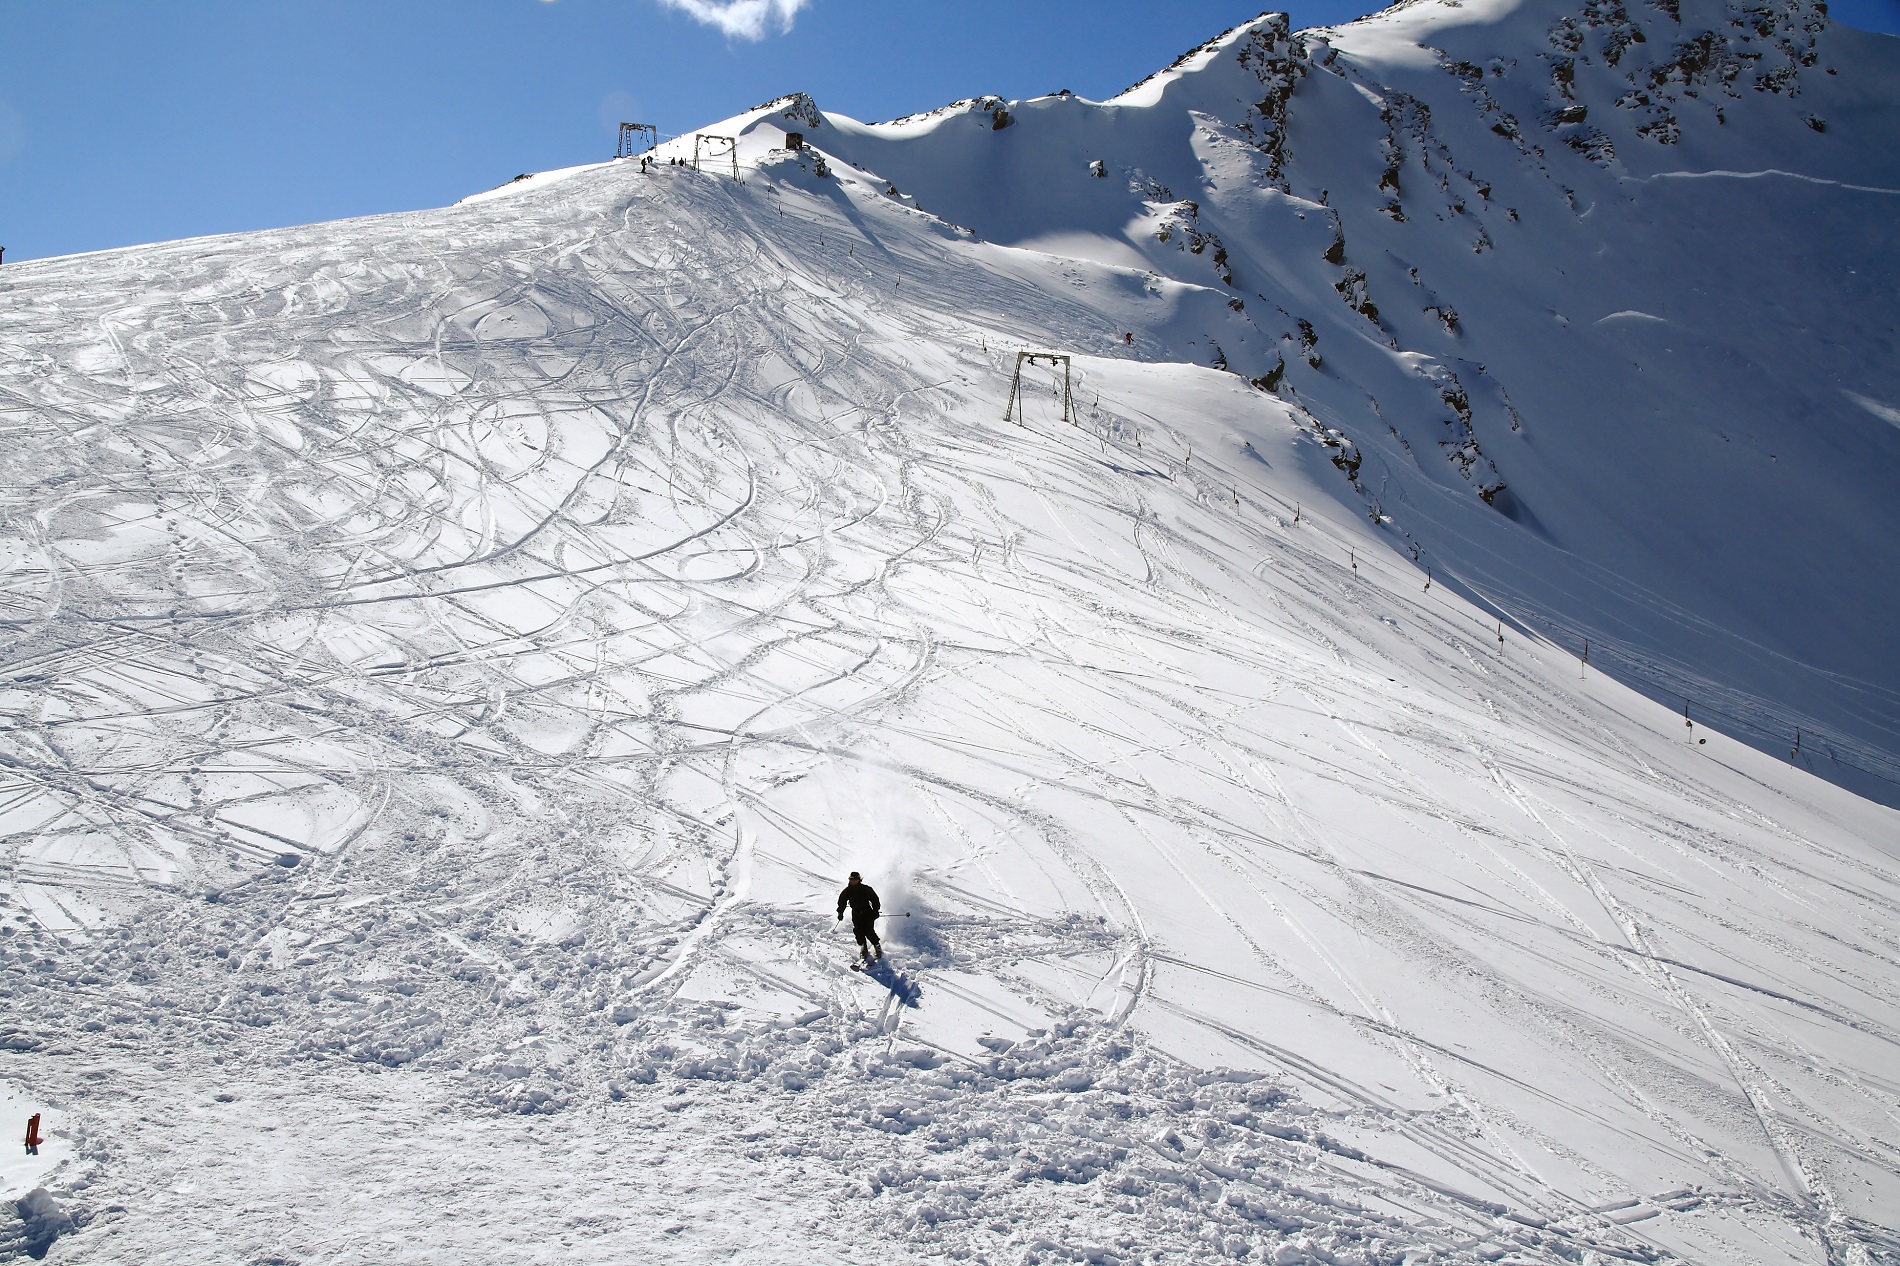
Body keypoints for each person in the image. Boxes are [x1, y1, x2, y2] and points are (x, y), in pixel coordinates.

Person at [836, 872, 882, 964]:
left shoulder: (865, 889)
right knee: (858, 931)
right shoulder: (847, 891)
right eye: (851, 879)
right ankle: (863, 947)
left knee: (868, 931)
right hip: (856, 914)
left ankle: (877, 946)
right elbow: (842, 902)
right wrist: (840, 912)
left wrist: (876, 910)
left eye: (854, 879)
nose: (852, 881)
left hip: (867, 913)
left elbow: (874, 899)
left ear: (858, 880)